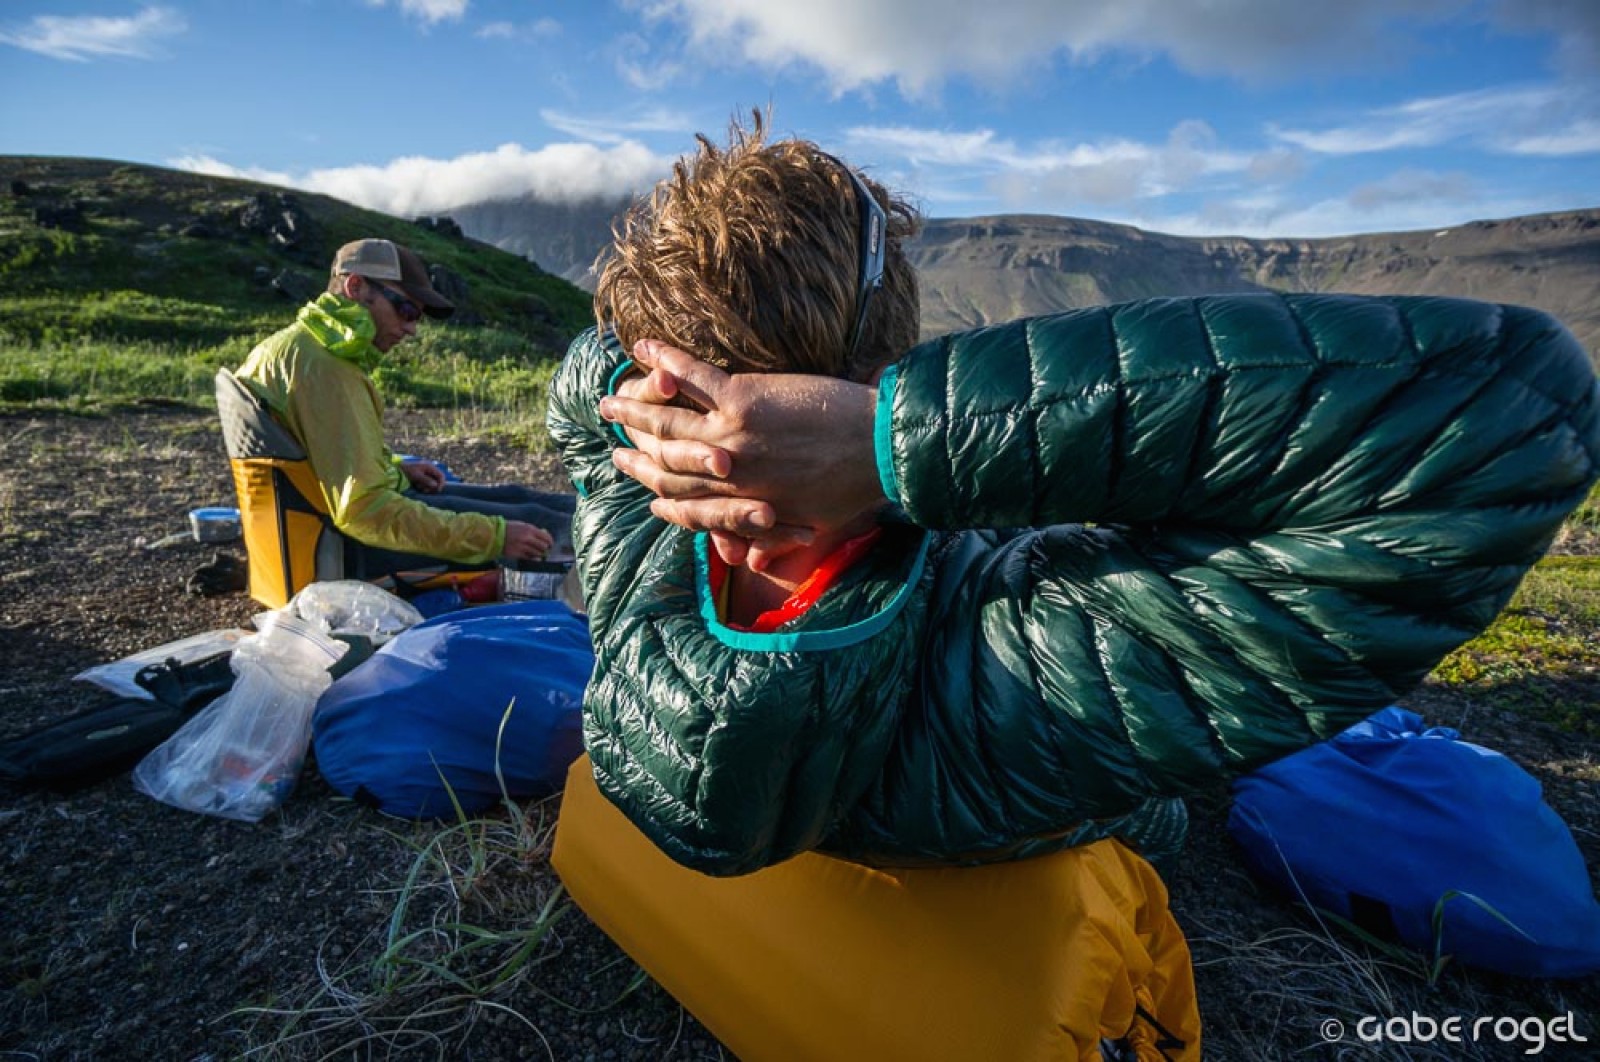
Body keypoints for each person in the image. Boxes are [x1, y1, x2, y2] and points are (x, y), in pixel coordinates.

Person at [548, 118, 1600, 878]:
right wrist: (894, 442)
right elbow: (1514, 413)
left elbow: (581, 370)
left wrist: (638, 407)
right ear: (880, 364)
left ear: (666, 389)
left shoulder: (627, 496)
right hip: (1009, 780)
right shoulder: (1021, 657)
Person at [234, 237, 573, 576]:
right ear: (355, 286)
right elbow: (364, 511)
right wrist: (494, 538)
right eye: (406, 310)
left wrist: (393, 468)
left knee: (516, 497)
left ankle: (617, 521)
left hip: (321, 529)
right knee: (535, 524)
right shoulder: (325, 369)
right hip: (347, 551)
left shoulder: (292, 348)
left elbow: (322, 458)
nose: (411, 329)